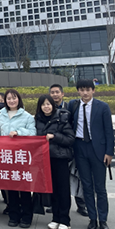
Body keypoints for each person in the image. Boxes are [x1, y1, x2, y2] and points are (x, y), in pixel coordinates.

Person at [69, 79, 114, 229]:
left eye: (88, 89)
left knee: (100, 187)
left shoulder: (102, 107)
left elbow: (109, 130)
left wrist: (109, 152)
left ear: (93, 90)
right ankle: (92, 218)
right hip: (80, 148)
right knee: (86, 186)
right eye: (82, 90)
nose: (85, 93)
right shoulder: (73, 105)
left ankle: (103, 219)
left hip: (98, 150)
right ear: (78, 91)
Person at [0, 89, 36, 228]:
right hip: (6, 157)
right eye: (9, 98)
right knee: (10, 187)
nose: (11, 101)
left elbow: (33, 133)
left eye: (14, 98)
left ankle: (26, 216)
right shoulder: (0, 117)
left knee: (24, 188)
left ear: (18, 99)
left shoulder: (27, 116)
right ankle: (13, 215)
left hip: (21, 157)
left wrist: (19, 132)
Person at [35, 95, 75, 229]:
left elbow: (70, 138)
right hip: (45, 160)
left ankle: (65, 220)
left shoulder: (62, 118)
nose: (46, 107)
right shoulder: (38, 120)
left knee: (63, 189)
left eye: (48, 104)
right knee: (51, 189)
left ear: (53, 105)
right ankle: (55, 218)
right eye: (43, 104)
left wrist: (55, 136)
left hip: (60, 158)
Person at [49, 83, 87, 216]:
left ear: (62, 94)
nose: (55, 95)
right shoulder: (48, 108)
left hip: (70, 146)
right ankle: (54, 205)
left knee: (77, 176)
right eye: (52, 92)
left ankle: (81, 205)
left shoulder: (70, 107)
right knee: (57, 179)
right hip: (55, 150)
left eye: (57, 92)